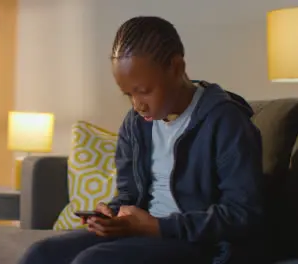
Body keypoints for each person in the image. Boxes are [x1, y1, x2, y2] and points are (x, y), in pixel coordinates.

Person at [18, 16, 265, 264]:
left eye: (144, 91)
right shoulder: (135, 124)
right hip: (140, 236)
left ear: (177, 68)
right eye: (129, 94)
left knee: (94, 261)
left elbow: (242, 214)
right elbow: (129, 194)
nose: (137, 105)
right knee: (41, 254)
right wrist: (111, 214)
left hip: (196, 243)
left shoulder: (225, 121)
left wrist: (157, 227)